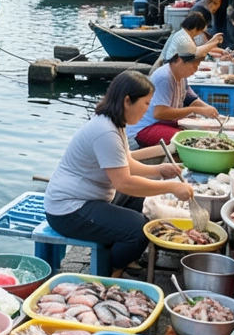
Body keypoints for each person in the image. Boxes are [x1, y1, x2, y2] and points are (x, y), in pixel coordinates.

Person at [45, 70, 194, 276]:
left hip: (88, 200)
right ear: (127, 100)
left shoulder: (114, 123)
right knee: (139, 229)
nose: (147, 109)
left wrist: (159, 170)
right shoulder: (105, 131)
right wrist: (173, 187)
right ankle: (109, 271)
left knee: (138, 199)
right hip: (68, 210)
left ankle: (120, 256)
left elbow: (126, 162)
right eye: (145, 103)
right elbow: (124, 183)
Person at [132, 35, 219, 147]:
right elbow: (159, 113)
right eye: (193, 66)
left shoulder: (182, 76)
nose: (195, 70)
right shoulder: (164, 77)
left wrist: (207, 108)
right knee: (187, 141)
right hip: (146, 127)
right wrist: (196, 110)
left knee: (201, 135)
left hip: (163, 123)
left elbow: (191, 98)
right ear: (178, 60)